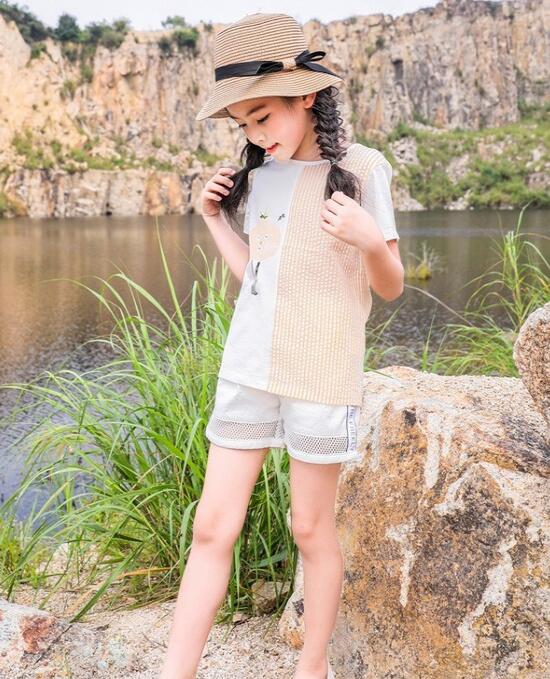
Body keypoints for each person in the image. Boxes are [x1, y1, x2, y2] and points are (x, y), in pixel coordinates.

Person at [160, 12, 404, 679]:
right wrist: (215, 219)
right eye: (243, 123)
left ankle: (312, 666)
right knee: (212, 526)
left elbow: (390, 286)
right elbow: (258, 277)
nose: (254, 135)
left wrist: (366, 238)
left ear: (306, 96)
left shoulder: (364, 169)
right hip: (249, 366)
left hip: (320, 370)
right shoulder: (261, 178)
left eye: (262, 116)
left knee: (309, 528)